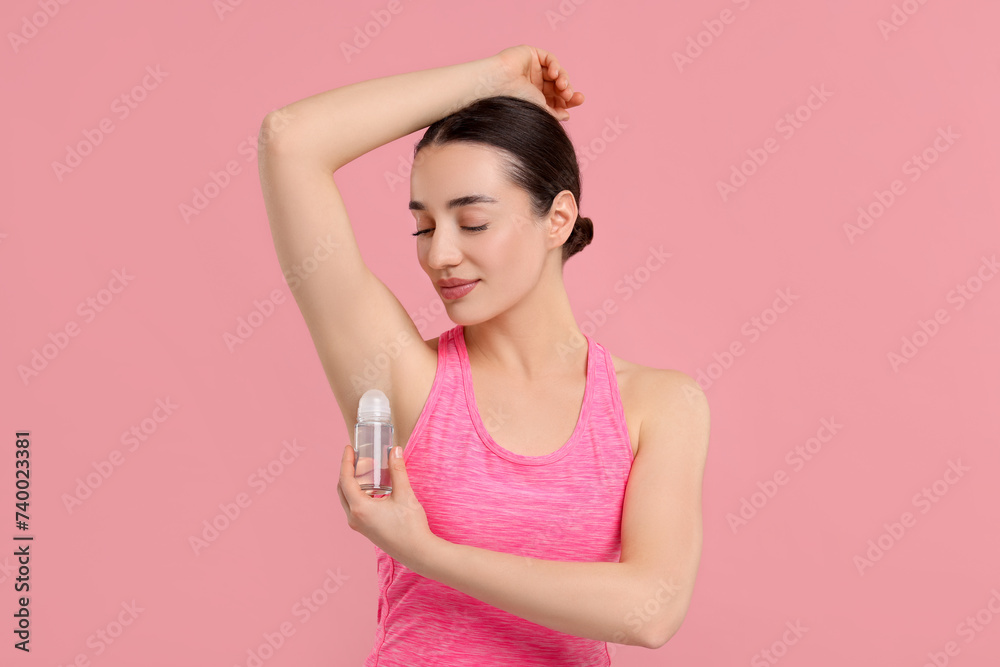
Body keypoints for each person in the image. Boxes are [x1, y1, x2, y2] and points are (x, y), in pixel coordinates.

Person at [257, 44, 710, 666]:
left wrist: (426, 553)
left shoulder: (658, 405)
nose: (439, 254)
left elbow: (652, 609)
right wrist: (491, 79)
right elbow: (290, 140)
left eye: (471, 222)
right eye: (423, 226)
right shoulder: (404, 378)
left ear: (558, 219)